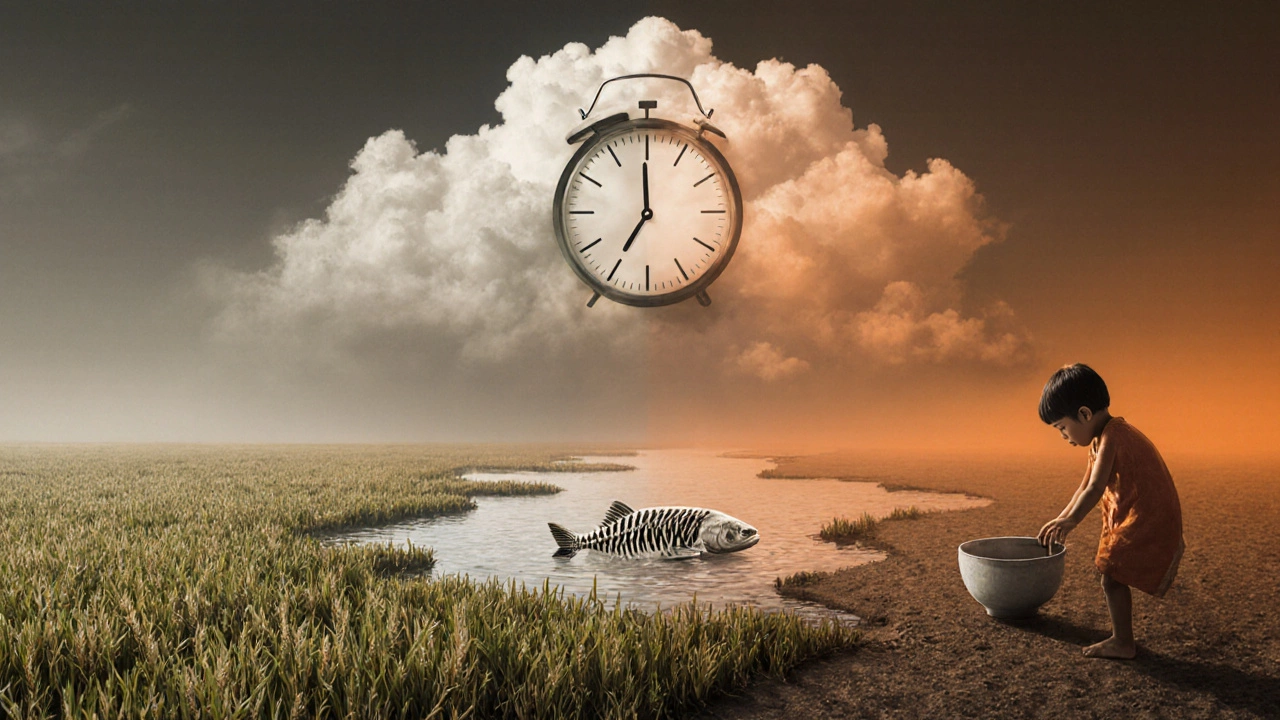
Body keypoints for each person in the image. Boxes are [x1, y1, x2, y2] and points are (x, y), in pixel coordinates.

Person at [1036, 363, 1184, 659]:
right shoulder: (1102, 437)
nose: (1064, 436)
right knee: (1111, 576)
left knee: (1111, 576)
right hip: (1136, 513)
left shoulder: (1114, 437)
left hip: (1145, 517)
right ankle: (1122, 640)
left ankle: (1123, 642)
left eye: (1062, 428)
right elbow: (1084, 486)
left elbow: (1093, 489)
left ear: (1084, 414)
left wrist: (1071, 521)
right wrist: (1062, 517)